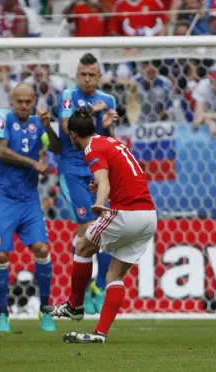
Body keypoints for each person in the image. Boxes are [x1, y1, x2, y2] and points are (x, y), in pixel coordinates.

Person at [44, 109, 157, 344]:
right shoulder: (111, 141)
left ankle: (75, 305)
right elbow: (117, 176)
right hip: (148, 217)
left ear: (73, 135)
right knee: (115, 274)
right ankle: (100, 333)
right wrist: (103, 188)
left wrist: (99, 201)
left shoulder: (91, 148)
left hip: (126, 213)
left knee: (83, 246)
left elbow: (103, 180)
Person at [45, 53, 117, 315]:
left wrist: (109, 127)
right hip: (73, 168)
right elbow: (67, 128)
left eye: (92, 75)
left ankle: (98, 285)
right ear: (77, 76)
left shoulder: (109, 100)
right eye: (83, 75)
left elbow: (110, 140)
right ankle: (85, 289)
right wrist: (89, 111)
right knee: (88, 226)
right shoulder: (68, 96)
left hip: (98, 168)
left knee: (106, 228)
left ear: (99, 77)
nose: (87, 79)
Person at [0, 82, 56, 332]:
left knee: (41, 248)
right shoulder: (2, 117)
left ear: (34, 101)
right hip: (1, 197)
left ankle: (46, 311)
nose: (25, 106)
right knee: (2, 255)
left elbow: (54, 148)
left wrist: (49, 129)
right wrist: (32, 162)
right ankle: (3, 315)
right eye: (20, 102)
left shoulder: (40, 124)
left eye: (29, 101)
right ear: (12, 101)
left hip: (28, 198)